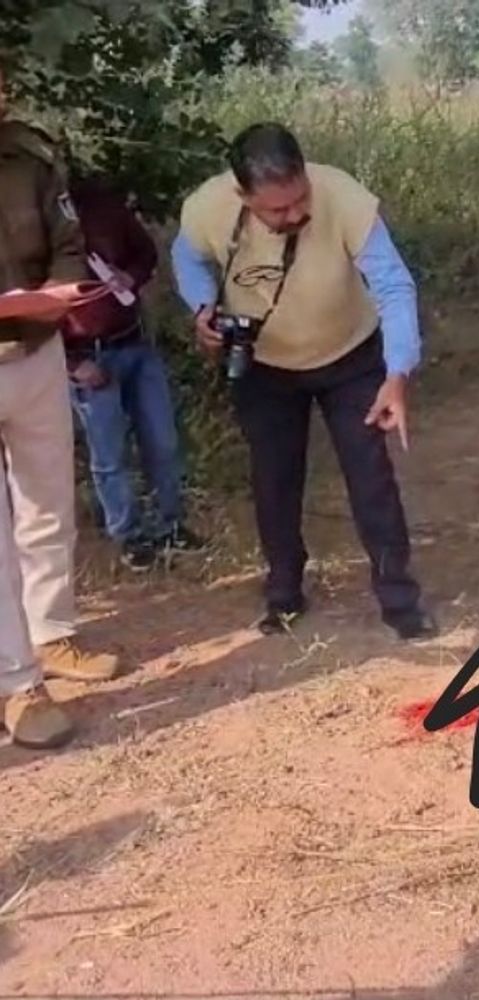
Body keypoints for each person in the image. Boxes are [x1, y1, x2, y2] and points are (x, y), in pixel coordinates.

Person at [171, 123, 437, 639]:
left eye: (301, 200)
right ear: (242, 195)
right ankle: (284, 594)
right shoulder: (207, 207)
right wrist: (202, 306)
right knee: (274, 479)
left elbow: (393, 284)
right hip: (264, 366)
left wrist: (398, 371)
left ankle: (400, 600)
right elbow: (186, 256)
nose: (295, 215)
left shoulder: (344, 197)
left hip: (351, 357)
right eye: (278, 210)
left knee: (371, 478)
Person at [0, 64, 121, 749]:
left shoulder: (30, 157)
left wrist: (58, 293)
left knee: (47, 503)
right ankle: (17, 685)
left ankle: (52, 635)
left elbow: (71, 245)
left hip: (37, 350)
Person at [62, 172, 205, 572]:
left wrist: (131, 275)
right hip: (86, 354)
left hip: (134, 343)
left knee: (162, 441)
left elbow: (145, 253)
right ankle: (129, 535)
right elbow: (33, 306)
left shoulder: (105, 209)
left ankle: (170, 524)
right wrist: (72, 363)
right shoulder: (38, 228)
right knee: (109, 454)